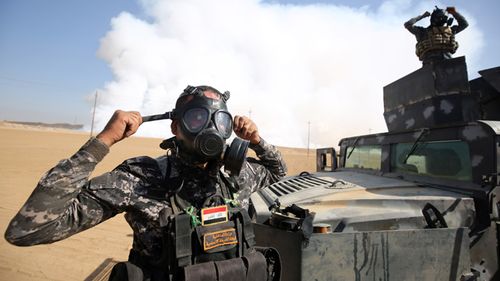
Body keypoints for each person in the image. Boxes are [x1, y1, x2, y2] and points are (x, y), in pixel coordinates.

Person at [5, 85, 287, 280]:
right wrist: (103, 142)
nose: (210, 128)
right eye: (198, 117)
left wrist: (257, 142)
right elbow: (29, 230)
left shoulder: (237, 174)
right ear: (176, 127)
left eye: (220, 120)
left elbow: (278, 175)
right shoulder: (141, 178)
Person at [404, 6, 468, 65]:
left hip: (447, 60)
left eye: (443, 18)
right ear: (434, 18)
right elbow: (408, 24)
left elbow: (464, 24)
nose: (441, 20)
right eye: (439, 17)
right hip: (429, 61)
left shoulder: (449, 30)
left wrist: (454, 12)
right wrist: (422, 16)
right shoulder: (423, 32)